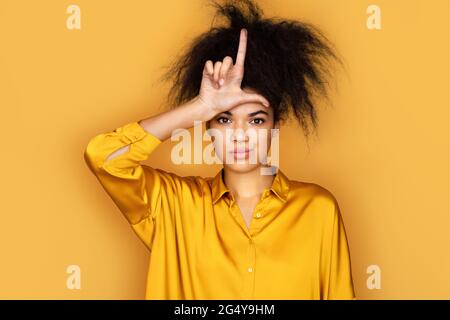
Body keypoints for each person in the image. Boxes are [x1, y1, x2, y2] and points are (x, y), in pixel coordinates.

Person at [84, 0, 355, 299]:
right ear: (208, 127)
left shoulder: (318, 210)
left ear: (276, 126)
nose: (239, 135)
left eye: (256, 120)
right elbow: (103, 157)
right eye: (224, 119)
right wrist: (200, 107)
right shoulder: (174, 205)